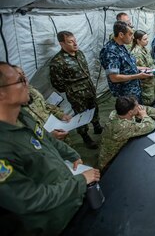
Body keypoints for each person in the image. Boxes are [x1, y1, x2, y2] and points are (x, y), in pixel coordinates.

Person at [0, 61, 100, 235]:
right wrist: (80, 181)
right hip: (54, 223)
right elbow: (29, 199)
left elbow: (47, 139)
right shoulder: (4, 146)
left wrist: (72, 154)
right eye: (20, 80)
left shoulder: (22, 115)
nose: (27, 84)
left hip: (69, 201)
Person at [49, 31, 102, 149]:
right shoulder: (58, 61)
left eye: (75, 40)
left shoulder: (79, 53)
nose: (75, 44)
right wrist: (72, 89)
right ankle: (85, 136)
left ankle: (97, 126)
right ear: (62, 44)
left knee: (94, 108)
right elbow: (57, 83)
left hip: (89, 88)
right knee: (81, 115)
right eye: (70, 42)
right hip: (76, 95)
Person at [98, 96, 155, 170]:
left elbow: (144, 108)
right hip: (111, 161)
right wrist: (144, 115)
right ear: (130, 112)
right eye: (136, 106)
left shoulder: (120, 112)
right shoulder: (122, 126)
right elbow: (150, 126)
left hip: (123, 150)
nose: (139, 106)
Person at [14, 66, 72, 142]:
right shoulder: (10, 109)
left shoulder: (32, 91)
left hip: (58, 136)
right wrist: (48, 137)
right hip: (43, 147)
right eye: (18, 77)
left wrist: (60, 115)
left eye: (23, 74)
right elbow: (21, 139)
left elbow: (45, 105)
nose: (24, 78)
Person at [100, 21, 152, 104]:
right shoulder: (110, 51)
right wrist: (137, 76)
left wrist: (141, 68)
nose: (133, 37)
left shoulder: (121, 46)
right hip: (125, 95)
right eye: (130, 34)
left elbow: (126, 66)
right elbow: (114, 77)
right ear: (121, 35)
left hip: (133, 91)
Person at [130, 30, 155, 105]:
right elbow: (143, 71)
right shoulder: (137, 53)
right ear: (138, 40)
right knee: (150, 104)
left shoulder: (144, 48)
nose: (147, 41)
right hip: (146, 85)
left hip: (152, 83)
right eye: (145, 39)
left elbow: (149, 65)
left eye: (147, 38)